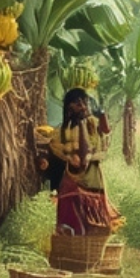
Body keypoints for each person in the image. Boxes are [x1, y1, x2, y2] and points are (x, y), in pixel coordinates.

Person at [46, 88, 120, 234]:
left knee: (92, 218)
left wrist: (101, 114)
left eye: (83, 102)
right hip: (72, 177)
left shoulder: (92, 123)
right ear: (69, 107)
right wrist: (69, 157)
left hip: (91, 177)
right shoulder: (63, 130)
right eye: (77, 102)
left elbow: (105, 131)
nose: (81, 105)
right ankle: (73, 246)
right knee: (71, 214)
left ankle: (90, 248)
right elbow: (57, 148)